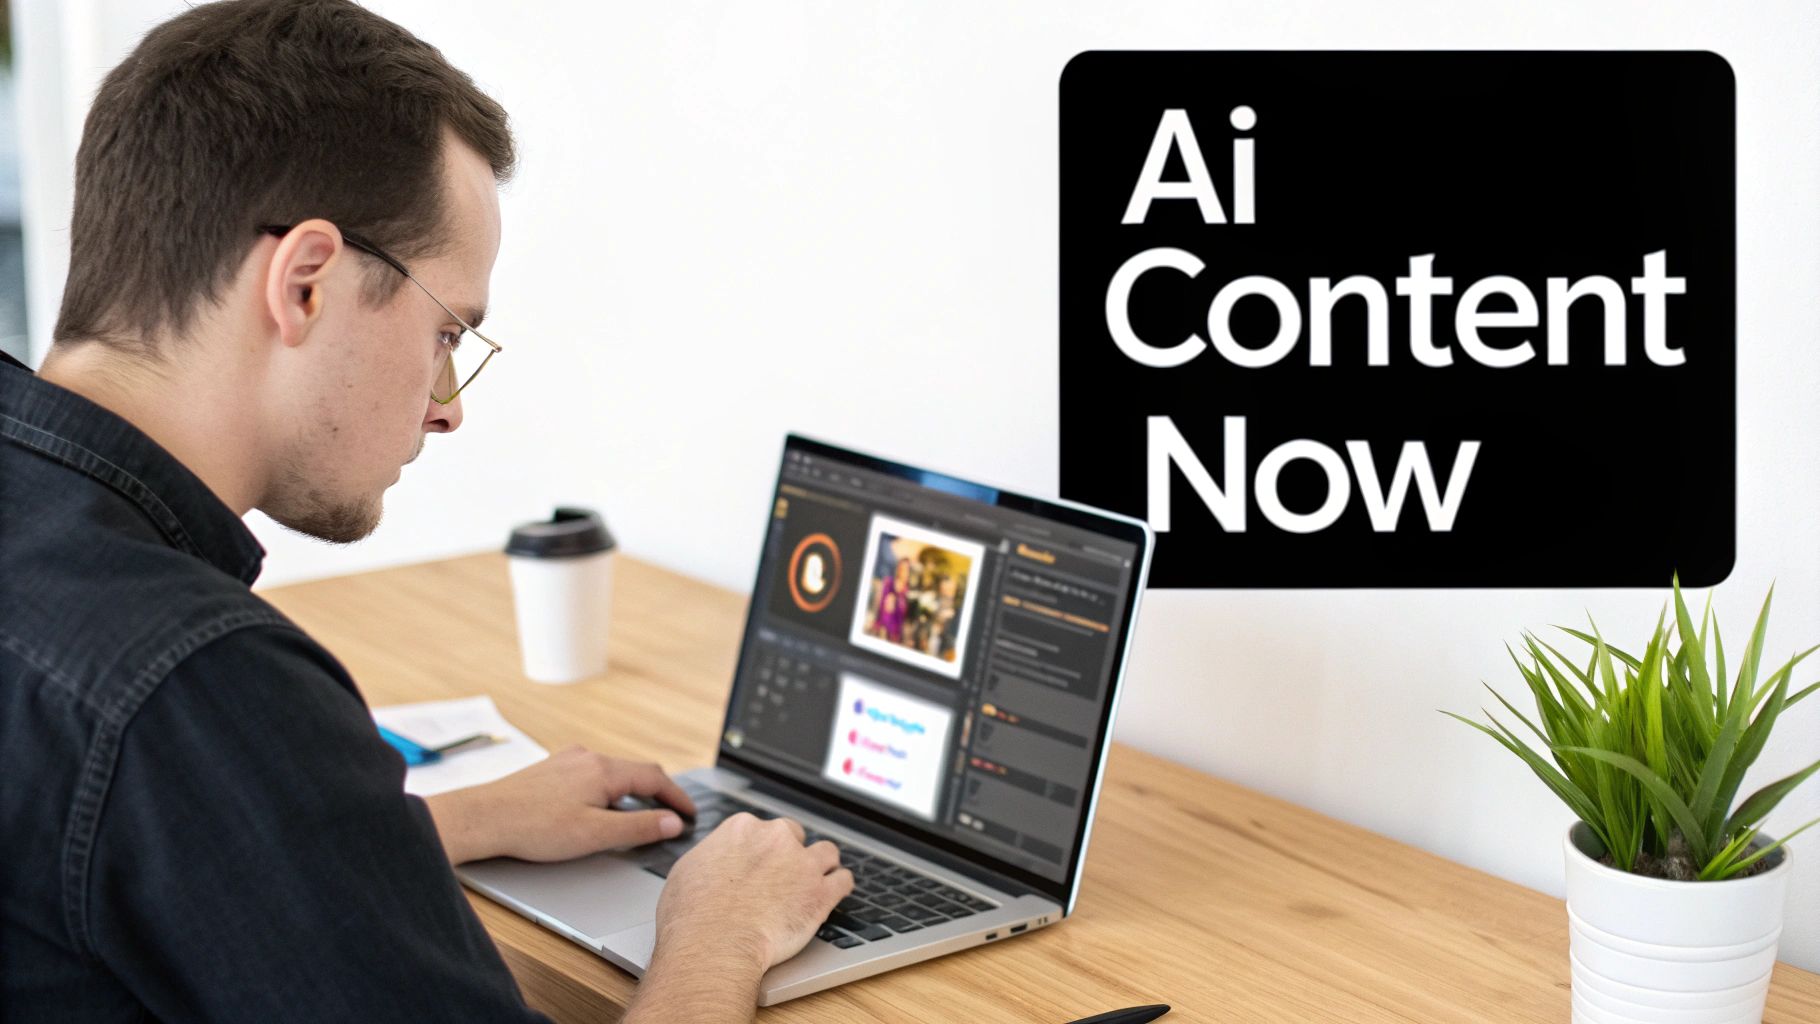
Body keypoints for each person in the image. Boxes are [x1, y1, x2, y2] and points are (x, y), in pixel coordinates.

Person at [0, 2, 850, 1021]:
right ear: (305, 281)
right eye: (448, 331)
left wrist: (413, 825)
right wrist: (719, 933)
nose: (446, 407)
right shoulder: (198, 681)